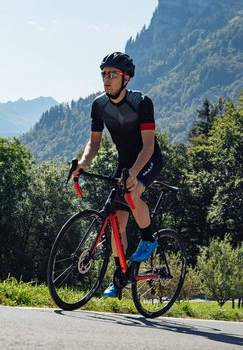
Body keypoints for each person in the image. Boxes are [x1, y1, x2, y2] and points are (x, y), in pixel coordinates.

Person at [70, 52, 165, 298]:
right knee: (116, 222)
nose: (106, 79)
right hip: (124, 163)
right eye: (104, 74)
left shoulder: (142, 103)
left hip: (148, 158)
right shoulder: (99, 105)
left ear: (126, 78)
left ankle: (148, 238)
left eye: (112, 74)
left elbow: (149, 146)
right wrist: (82, 163)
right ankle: (119, 277)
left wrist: (134, 173)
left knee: (133, 192)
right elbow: (94, 145)